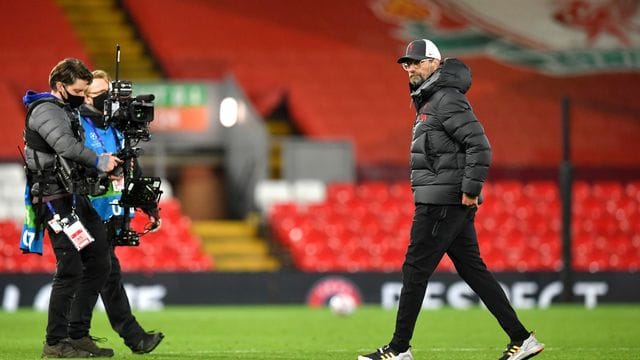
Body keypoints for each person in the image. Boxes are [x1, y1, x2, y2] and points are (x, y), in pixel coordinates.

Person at [358, 40, 545, 360]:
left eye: (417, 62)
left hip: (442, 202)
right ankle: (521, 338)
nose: (411, 68)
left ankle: (399, 349)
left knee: (415, 271)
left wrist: (470, 190)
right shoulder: (434, 101)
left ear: (436, 63)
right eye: (407, 64)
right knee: (473, 271)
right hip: (444, 200)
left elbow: (480, 146)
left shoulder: (447, 100)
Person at [22, 58, 122, 358]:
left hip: (74, 195)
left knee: (101, 261)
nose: (83, 95)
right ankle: (54, 343)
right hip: (54, 200)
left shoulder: (67, 110)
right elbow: (66, 147)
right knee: (70, 268)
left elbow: (71, 159)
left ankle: (77, 336)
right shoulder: (46, 110)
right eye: (78, 90)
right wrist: (99, 160)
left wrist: (105, 172)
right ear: (60, 87)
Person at [80, 70, 164, 354]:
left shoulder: (117, 128)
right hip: (85, 212)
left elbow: (133, 170)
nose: (108, 99)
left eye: (110, 92)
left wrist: (150, 206)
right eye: (102, 93)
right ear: (86, 96)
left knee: (102, 274)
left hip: (110, 212)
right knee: (105, 274)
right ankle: (132, 336)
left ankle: (73, 335)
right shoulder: (76, 126)